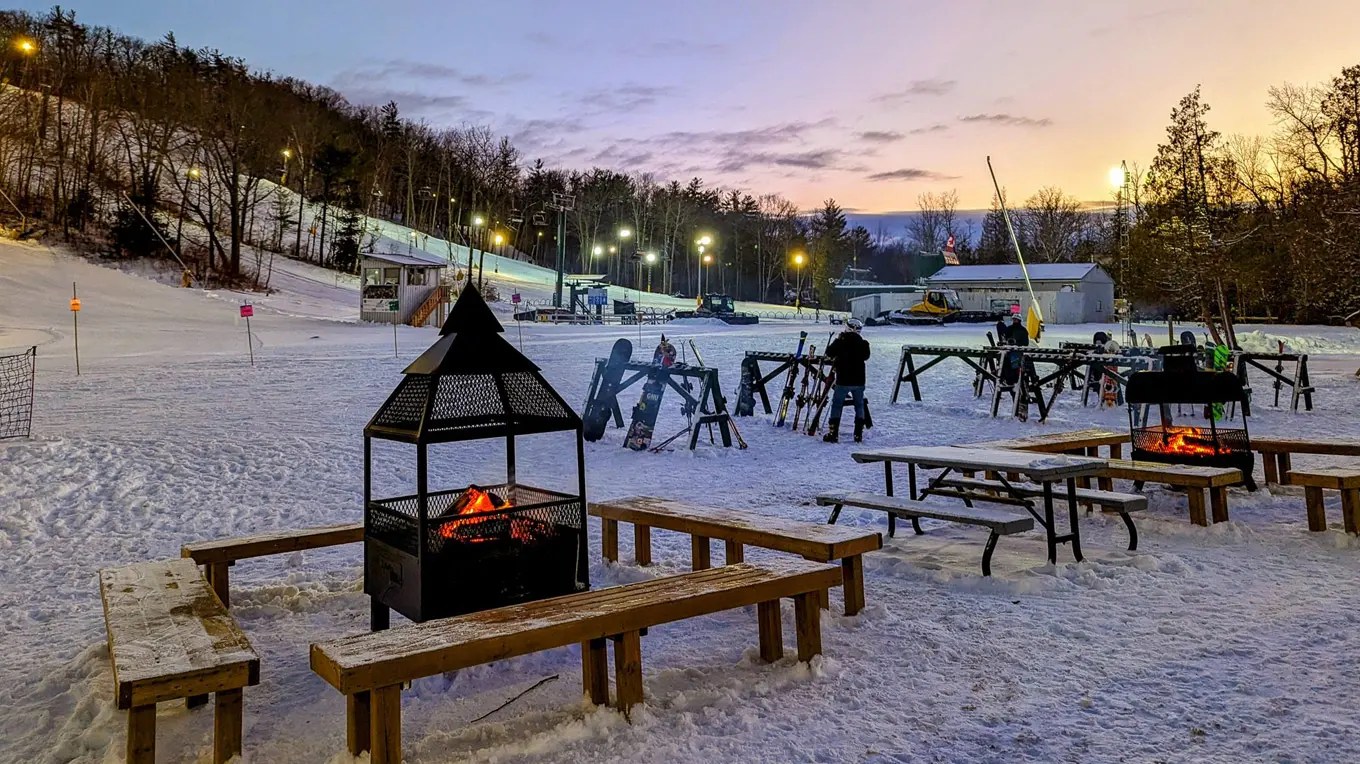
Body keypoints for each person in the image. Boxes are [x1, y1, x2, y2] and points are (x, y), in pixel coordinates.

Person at [823, 318, 871, 443]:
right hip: (859, 380)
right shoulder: (864, 343)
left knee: (837, 405)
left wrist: (838, 340)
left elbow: (829, 352)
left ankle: (833, 433)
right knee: (859, 405)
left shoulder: (841, 342)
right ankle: (858, 434)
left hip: (843, 380)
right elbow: (866, 356)